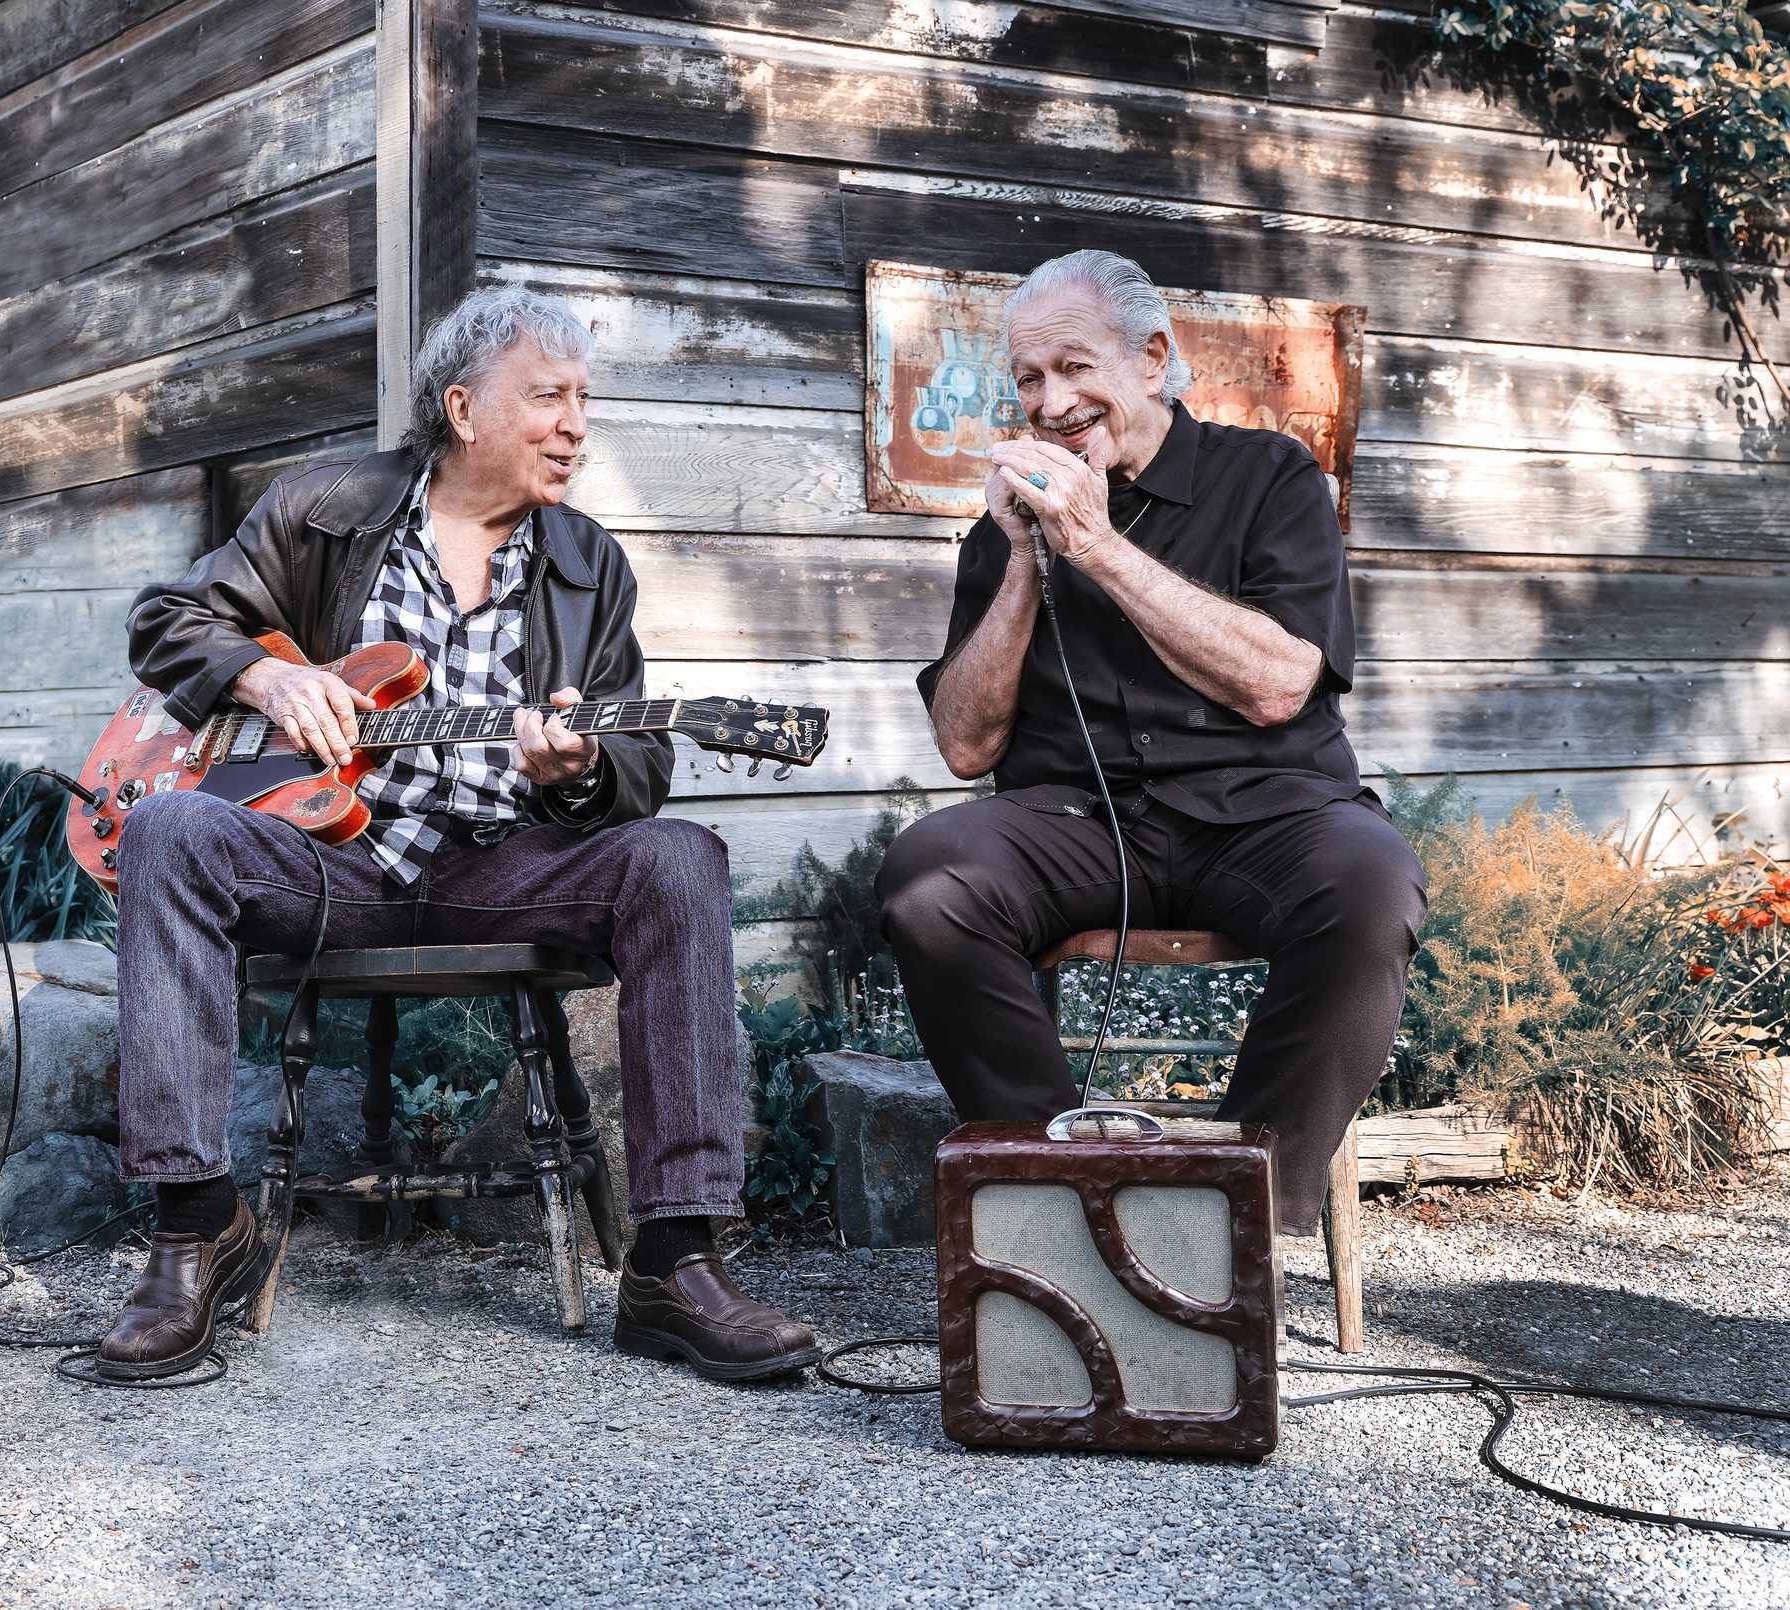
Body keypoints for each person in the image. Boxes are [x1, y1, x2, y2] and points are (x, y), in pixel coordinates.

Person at [99, 286, 818, 1382]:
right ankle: (198, 1223)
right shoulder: (322, 507)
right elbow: (167, 620)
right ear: (463, 408)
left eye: (584, 399)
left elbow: (642, 766)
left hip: (502, 862)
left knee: (678, 859)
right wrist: (269, 673)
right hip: (329, 857)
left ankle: (674, 1260)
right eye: (547, 396)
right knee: (166, 828)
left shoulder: (587, 563)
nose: (575, 422)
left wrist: (575, 773)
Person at [876, 250, 1426, 1237]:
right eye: (1028, 380)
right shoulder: (1008, 527)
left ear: (1151, 358)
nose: (1049, 403)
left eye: (1073, 368)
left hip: (1262, 812)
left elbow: (1275, 682)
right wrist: (1020, 560)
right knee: (928, 877)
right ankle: (1057, 1197)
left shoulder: (1266, 478)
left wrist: (1094, 547)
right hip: (1078, 823)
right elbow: (964, 745)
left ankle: (1233, 1220)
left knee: (1370, 886)